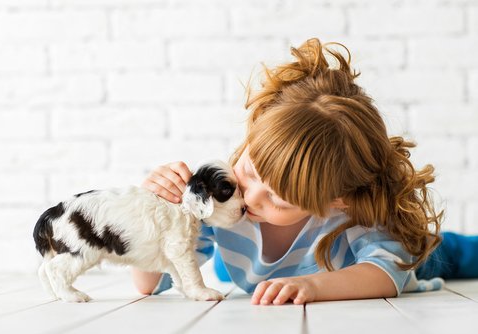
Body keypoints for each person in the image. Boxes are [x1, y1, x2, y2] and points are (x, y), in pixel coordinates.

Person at [131, 38, 478, 305]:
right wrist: (151, 214)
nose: (248, 197)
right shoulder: (217, 197)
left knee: (442, 251)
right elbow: (149, 284)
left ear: (335, 202)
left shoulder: (355, 213)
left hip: (413, 256)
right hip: (257, 270)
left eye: (277, 201)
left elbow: (385, 273)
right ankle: (233, 265)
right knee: (226, 264)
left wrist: (313, 285)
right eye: (249, 170)